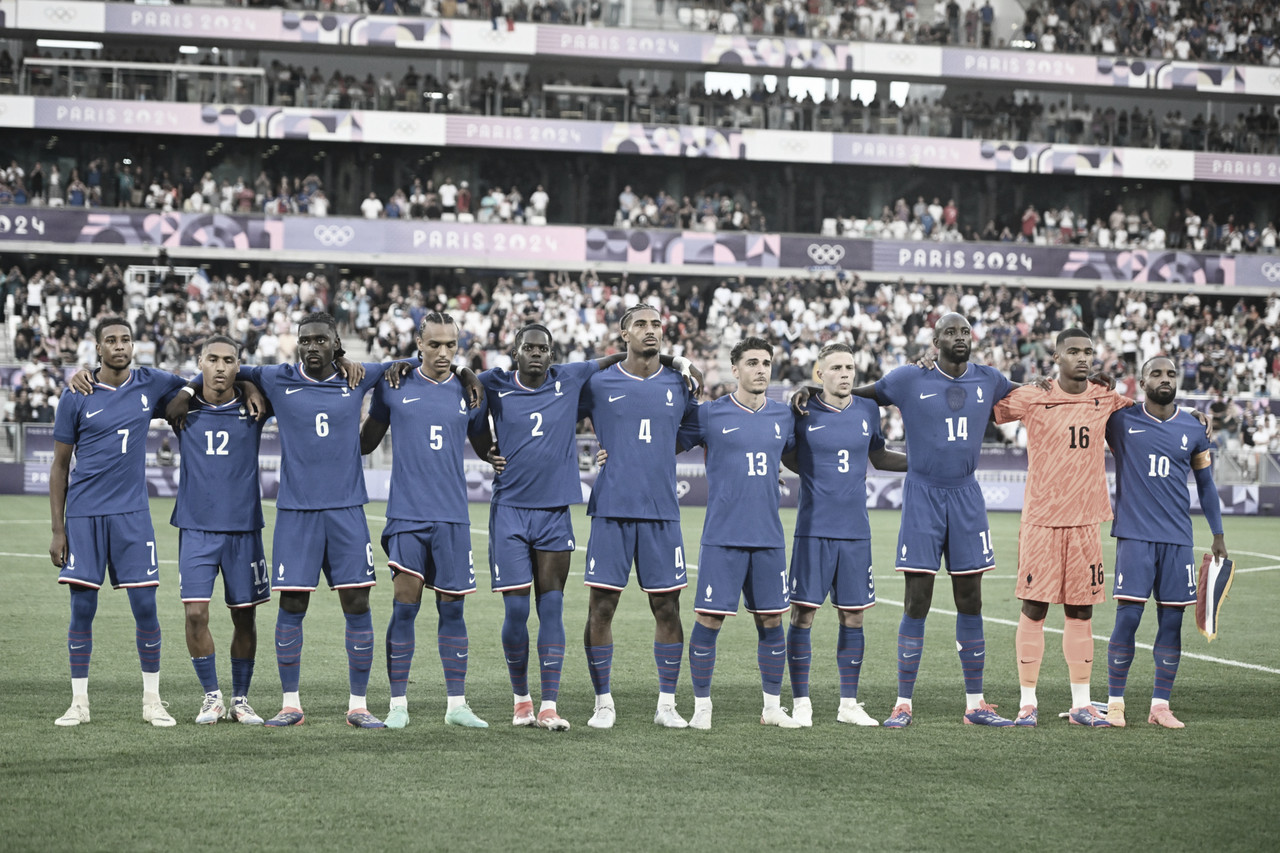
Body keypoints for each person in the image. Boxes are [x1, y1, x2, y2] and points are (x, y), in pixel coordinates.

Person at [168, 312, 391, 728]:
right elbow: (227, 370)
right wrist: (205, 385)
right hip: (295, 513)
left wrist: (469, 375)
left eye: (321, 340)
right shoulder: (276, 376)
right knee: (291, 604)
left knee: (357, 602)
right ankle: (291, 704)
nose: (312, 347)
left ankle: (358, 704)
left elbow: (406, 367)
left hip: (347, 511)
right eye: (305, 340)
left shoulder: (360, 376)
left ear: (337, 344)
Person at [469, 324, 690, 730]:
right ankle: (522, 701)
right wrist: (486, 451)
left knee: (551, 609)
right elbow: (465, 389)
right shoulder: (494, 383)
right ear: (515, 351)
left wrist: (676, 360)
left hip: (555, 511)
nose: (537, 354)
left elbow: (614, 361)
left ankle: (550, 705)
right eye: (529, 348)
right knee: (517, 611)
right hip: (509, 511)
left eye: (543, 349)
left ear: (552, 354)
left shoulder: (569, 378)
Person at [843, 313, 1015, 727]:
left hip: (967, 495)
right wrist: (814, 397)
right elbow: (856, 395)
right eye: (951, 333)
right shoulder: (907, 378)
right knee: (917, 599)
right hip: (923, 495)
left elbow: (1040, 398)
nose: (960, 338)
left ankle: (975, 704)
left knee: (970, 599)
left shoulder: (990, 379)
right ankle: (903, 703)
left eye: (965, 332)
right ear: (935, 341)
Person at [49, 317, 189, 727]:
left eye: (126, 339)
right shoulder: (76, 394)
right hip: (85, 515)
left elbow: (196, 382)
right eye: (110, 340)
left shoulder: (150, 381)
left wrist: (195, 396)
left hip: (132, 515)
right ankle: (79, 703)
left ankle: (152, 701)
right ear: (97, 348)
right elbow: (59, 467)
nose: (119, 346)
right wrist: (58, 530)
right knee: (82, 609)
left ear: (134, 344)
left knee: (146, 606)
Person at [992, 329, 1131, 727]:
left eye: (1088, 351)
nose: (1083, 358)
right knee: (1034, 608)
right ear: (1055, 356)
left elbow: (1147, 412)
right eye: (1073, 351)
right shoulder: (1033, 395)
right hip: (1041, 519)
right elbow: (983, 406)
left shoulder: (1105, 397)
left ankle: (1081, 704)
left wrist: (1196, 416)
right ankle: (1027, 702)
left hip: (1086, 520)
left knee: (1081, 610)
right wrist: (1018, 383)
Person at [360, 312, 489, 730]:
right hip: (407, 516)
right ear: (419, 343)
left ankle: (456, 704)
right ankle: (398, 704)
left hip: (453, 517)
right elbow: (365, 442)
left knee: (453, 612)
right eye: (434, 344)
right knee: (404, 610)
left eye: (451, 345)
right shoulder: (394, 385)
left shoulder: (468, 392)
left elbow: (488, 446)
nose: (444, 352)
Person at [580, 306, 699, 729]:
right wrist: (601, 451)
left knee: (667, 607)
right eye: (641, 325)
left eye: (657, 325)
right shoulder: (597, 382)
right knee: (602, 607)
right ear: (623, 333)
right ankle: (603, 703)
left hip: (662, 512)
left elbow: (694, 429)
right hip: (611, 508)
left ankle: (667, 704)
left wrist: (659, 450)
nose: (651, 331)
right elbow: (557, 416)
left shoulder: (680, 382)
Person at [676, 337, 800, 730]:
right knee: (709, 621)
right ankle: (701, 707)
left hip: (768, 537)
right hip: (722, 537)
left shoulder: (784, 416)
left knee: (771, 621)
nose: (761, 369)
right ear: (735, 369)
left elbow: (805, 454)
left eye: (766, 363)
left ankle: (771, 707)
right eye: (752, 362)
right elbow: (663, 442)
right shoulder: (710, 414)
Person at [782, 343, 906, 727]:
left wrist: (925, 463)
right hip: (814, 529)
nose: (845, 373)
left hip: (856, 531)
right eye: (835, 367)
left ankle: (848, 703)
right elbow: (786, 453)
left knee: (854, 616)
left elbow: (879, 456)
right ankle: (801, 701)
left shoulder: (868, 410)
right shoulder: (801, 410)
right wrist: (815, 476)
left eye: (850, 367)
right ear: (820, 374)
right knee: (803, 614)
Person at [1104, 357, 1228, 729]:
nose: (1164, 379)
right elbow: (1091, 408)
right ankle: (1114, 703)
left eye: (1171, 374)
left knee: (1171, 622)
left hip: (1178, 540)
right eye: (1156, 373)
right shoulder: (1121, 420)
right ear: (1141, 381)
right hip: (1135, 536)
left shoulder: (1193, 428)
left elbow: (1205, 485)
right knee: (1127, 619)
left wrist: (1217, 533)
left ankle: (1160, 706)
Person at [170, 335, 270, 725]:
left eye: (229, 361)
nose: (221, 367)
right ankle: (211, 697)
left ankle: (240, 699)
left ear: (238, 365)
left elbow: (265, 380)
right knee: (195, 614)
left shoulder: (256, 406)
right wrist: (189, 385)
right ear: (200, 362)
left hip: (243, 528)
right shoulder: (180, 407)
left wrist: (248, 385)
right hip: (196, 527)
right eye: (212, 359)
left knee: (244, 617)